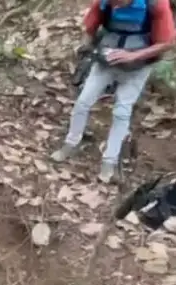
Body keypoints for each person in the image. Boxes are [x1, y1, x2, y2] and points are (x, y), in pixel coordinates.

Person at [50, 0, 175, 183]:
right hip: (106, 60)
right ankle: (71, 143)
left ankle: (109, 161)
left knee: (122, 112)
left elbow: (166, 43)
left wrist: (133, 55)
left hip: (137, 67)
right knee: (83, 101)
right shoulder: (104, 2)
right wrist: (87, 49)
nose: (115, 6)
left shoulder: (155, 4)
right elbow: (90, 28)